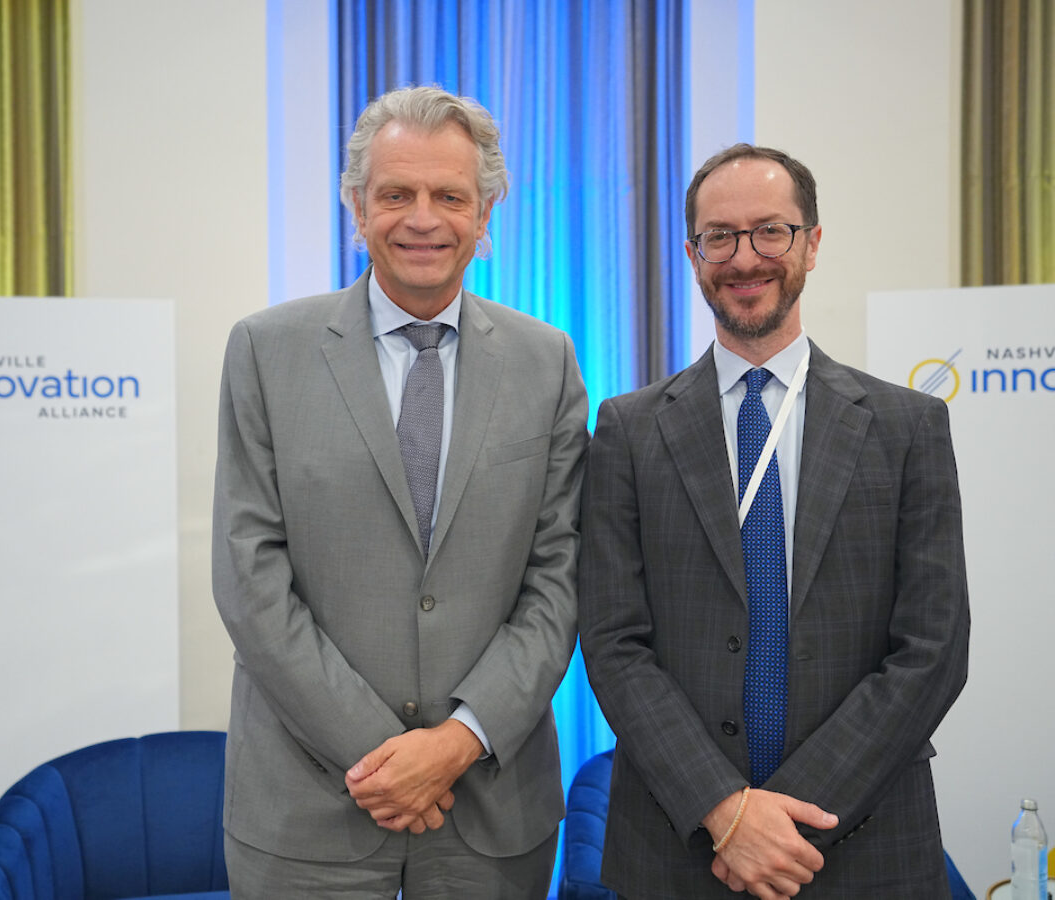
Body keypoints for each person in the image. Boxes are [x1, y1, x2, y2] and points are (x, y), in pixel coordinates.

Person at [211, 85, 588, 899]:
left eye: (450, 195)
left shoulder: (547, 361)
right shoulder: (265, 351)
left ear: (485, 212)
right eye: (396, 194)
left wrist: (455, 743)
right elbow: (249, 579)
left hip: (490, 808)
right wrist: (390, 757)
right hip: (308, 813)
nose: (423, 217)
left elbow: (559, 578)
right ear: (357, 207)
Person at [577, 143, 970, 899]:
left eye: (771, 231)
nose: (744, 257)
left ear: (812, 244)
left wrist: (779, 823)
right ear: (693, 255)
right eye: (719, 236)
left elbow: (933, 649)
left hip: (862, 847)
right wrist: (724, 812)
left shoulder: (906, 426)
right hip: (678, 849)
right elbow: (613, 643)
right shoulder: (628, 429)